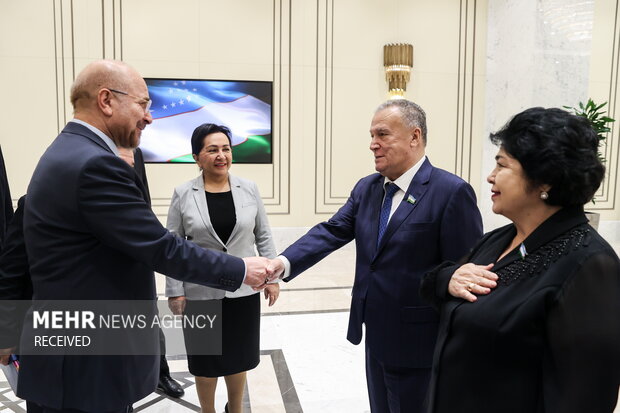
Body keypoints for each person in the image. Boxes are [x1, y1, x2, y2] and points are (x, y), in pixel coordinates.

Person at [18, 60, 273, 413]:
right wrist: (241, 269)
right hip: (86, 365)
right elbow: (161, 246)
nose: (149, 117)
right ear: (106, 101)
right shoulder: (95, 164)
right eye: (142, 104)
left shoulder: (68, 150)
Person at [268, 99, 483, 413]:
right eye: (372, 135)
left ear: (415, 136)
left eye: (382, 134)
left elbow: (464, 273)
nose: (373, 145)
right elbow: (331, 231)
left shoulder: (450, 192)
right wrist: (281, 264)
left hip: (420, 345)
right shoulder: (367, 189)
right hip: (376, 336)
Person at [420, 107, 620, 413]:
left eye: (502, 165)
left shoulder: (590, 265)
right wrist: (449, 279)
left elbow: (583, 396)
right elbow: (434, 286)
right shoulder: (499, 239)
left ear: (545, 181)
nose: (490, 176)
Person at [165, 123, 279, 413]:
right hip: (201, 292)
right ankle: (208, 410)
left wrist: (272, 277)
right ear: (197, 157)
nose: (221, 155)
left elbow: (263, 235)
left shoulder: (249, 189)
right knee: (205, 362)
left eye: (226, 148)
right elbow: (173, 246)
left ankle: (236, 409)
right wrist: (175, 291)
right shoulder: (183, 193)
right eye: (212, 149)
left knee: (239, 357)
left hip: (244, 289)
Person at [117, 147, 185, 399]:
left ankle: (161, 373)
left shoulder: (132, 151)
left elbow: (140, 195)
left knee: (149, 317)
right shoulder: (84, 150)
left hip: (137, 251)